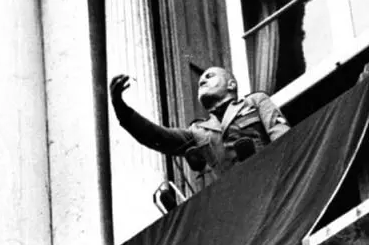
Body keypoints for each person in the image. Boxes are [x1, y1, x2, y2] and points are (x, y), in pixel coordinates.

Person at [109, 67, 290, 185]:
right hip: (237, 196)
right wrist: (120, 107)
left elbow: (283, 137)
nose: (202, 81)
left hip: (272, 178)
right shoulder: (199, 131)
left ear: (231, 84)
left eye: (209, 76)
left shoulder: (255, 101)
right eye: (200, 82)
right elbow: (159, 138)